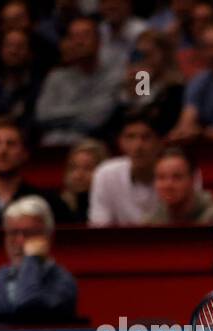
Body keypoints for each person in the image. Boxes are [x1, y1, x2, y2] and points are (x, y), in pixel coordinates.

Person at [0, 194, 78, 320]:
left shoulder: (62, 281)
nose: (19, 241)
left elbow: (29, 313)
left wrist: (31, 260)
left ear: (48, 237)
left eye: (29, 233)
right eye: (12, 233)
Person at [34, 14, 118, 144]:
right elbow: (42, 115)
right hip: (52, 146)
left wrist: (60, 116)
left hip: (94, 145)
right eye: (74, 37)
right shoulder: (55, 77)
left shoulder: (113, 76)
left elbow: (95, 119)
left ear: (99, 41)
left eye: (85, 35)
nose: (79, 42)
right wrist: (81, 111)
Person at [88, 109, 165, 226]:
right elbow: (100, 227)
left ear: (160, 142)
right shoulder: (106, 174)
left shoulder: (178, 171)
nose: (138, 146)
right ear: (120, 142)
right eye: (130, 137)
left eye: (146, 137)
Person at [145, 147, 213, 224]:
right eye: (161, 177)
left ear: (193, 179)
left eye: (177, 177)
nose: (168, 185)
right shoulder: (153, 219)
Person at [51, 138, 108, 224]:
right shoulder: (57, 205)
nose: (78, 175)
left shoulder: (111, 207)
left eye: (88, 168)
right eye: (73, 168)